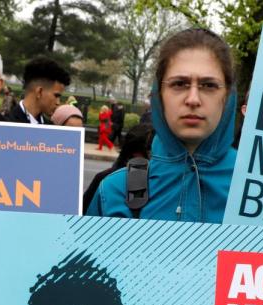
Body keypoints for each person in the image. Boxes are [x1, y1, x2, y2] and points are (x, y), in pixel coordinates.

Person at [86, 28, 236, 222]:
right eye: (179, 84)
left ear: (227, 96)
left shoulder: (260, 194)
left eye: (208, 85)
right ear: (159, 95)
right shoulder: (114, 192)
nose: (193, 99)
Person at [5, 56, 69, 124]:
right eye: (56, 96)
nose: (58, 103)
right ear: (39, 92)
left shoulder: (51, 129)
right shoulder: (5, 124)